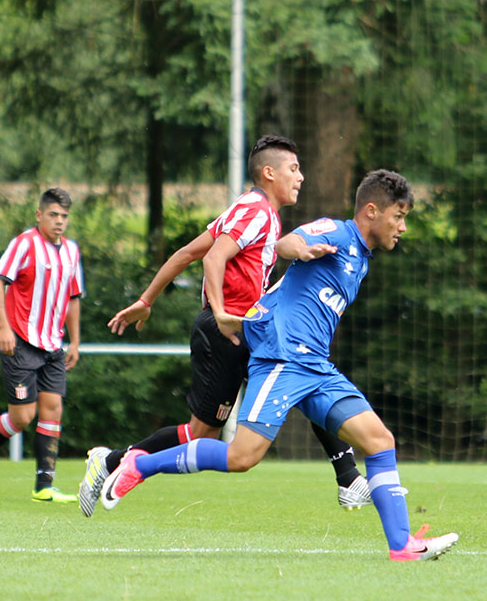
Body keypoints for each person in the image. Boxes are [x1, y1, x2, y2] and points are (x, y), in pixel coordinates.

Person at [97, 170, 459, 561]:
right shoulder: (337, 233)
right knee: (241, 457)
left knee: (379, 441)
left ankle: (402, 546)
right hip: (282, 357)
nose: (402, 227)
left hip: (314, 367)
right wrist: (299, 248)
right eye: (398, 216)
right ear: (372, 211)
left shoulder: (362, 260)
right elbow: (288, 242)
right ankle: (141, 465)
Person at [78, 135, 370, 516]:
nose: (301, 177)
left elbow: (186, 252)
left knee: (296, 373)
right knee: (206, 432)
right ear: (269, 173)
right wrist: (218, 311)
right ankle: (112, 460)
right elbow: (212, 259)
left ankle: (347, 476)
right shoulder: (257, 212)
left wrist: (146, 300)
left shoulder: (251, 209)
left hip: (241, 328)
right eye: (294, 169)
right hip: (226, 331)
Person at [0, 188, 85, 503]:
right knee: (22, 417)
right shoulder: (25, 244)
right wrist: (3, 328)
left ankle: (44, 485)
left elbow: (72, 297)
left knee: (53, 408)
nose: (59, 221)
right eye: (53, 215)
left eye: (64, 216)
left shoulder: (71, 251)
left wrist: (75, 341)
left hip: (53, 345)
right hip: (21, 342)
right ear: (39, 215)